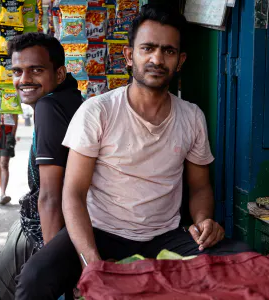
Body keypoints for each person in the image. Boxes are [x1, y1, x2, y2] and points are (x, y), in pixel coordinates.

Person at [15, 5, 252, 300]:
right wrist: (91, 262)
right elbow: (72, 194)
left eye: (168, 51)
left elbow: (200, 186)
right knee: (34, 278)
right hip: (101, 232)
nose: (157, 58)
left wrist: (203, 220)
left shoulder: (191, 117)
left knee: (243, 259)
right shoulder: (98, 111)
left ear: (180, 61)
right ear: (130, 56)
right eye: (148, 48)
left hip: (165, 236)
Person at [0, 33, 82, 299]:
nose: (24, 79)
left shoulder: (49, 108)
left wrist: (52, 266)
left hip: (38, 237)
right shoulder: (70, 97)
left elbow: (50, 196)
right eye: (17, 71)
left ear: (60, 73)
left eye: (36, 70)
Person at [0, 115, 18, 205]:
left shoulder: (10, 100)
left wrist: (12, 135)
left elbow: (15, 116)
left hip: (7, 133)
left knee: (4, 163)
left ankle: (3, 193)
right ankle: (2, 193)